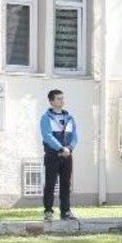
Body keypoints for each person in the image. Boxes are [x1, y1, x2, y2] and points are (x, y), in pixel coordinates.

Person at [40, 89, 78, 222]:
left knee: (66, 184)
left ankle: (66, 211)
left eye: (63, 98)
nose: (62, 101)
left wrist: (69, 148)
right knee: (50, 184)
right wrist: (61, 148)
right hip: (52, 156)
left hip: (67, 156)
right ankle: (48, 211)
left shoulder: (69, 118)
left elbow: (75, 136)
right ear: (51, 101)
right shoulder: (46, 118)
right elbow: (47, 136)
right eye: (59, 99)